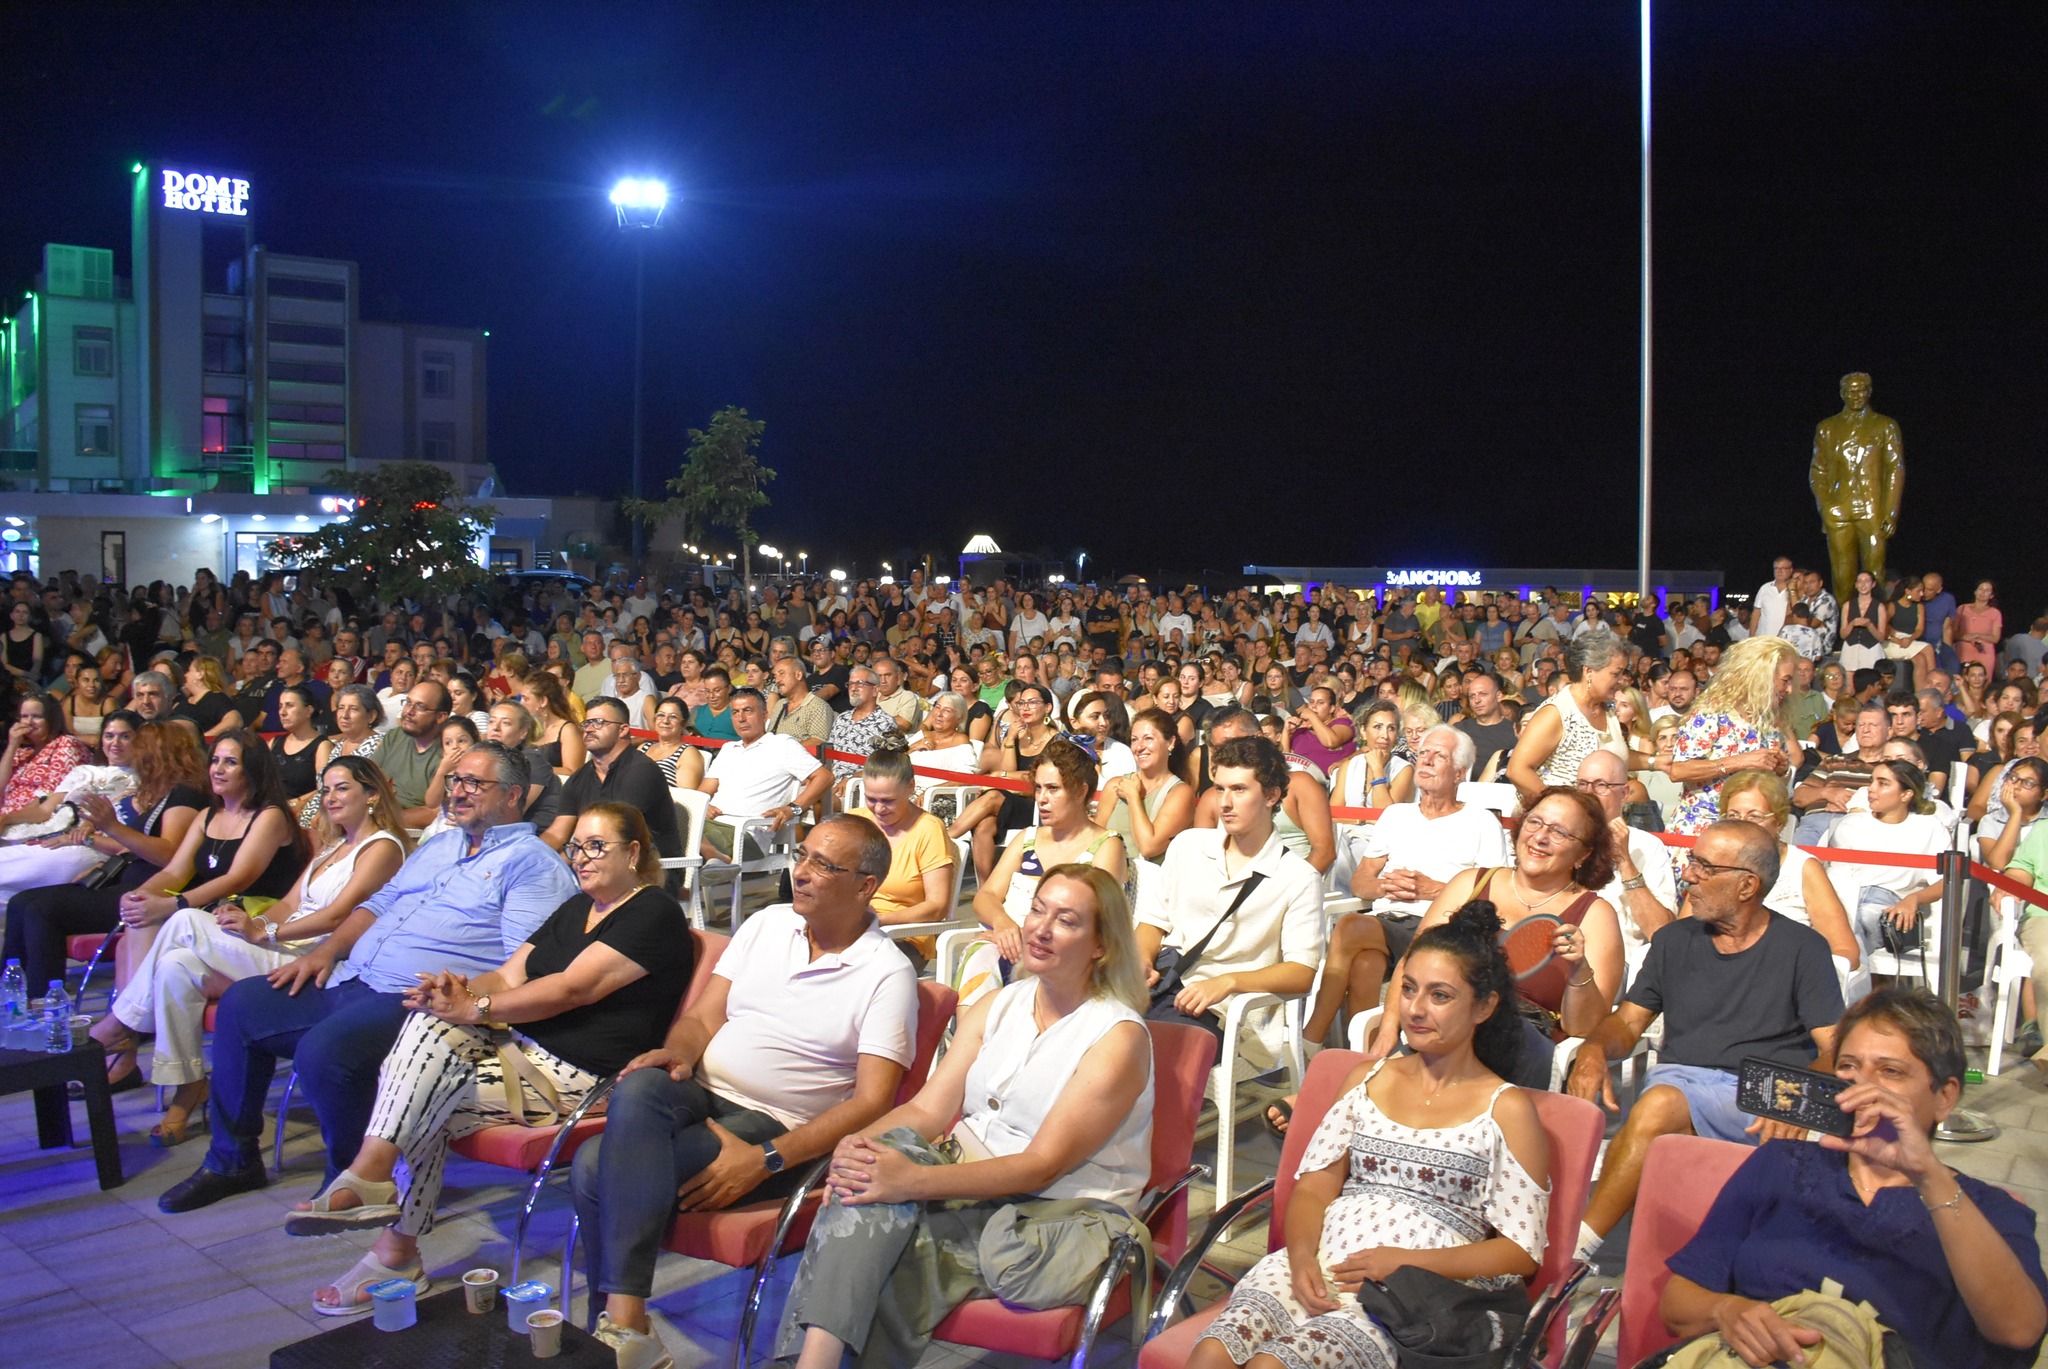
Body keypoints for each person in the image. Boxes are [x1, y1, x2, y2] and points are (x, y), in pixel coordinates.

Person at [292, 803, 692, 1315]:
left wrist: (475, 1007)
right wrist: (453, 991)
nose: (582, 858)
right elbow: (506, 977)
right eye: (576, 848)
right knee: (429, 1028)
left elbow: (573, 989)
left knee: (416, 1096)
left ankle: (392, 1242)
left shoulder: (652, 911)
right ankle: (377, 1193)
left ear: (633, 852)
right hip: (520, 1052)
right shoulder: (577, 907)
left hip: (583, 1076)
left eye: (597, 846)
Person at [158, 741, 579, 1214]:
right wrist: (325, 951)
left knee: (326, 1050)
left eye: (474, 784)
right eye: (456, 780)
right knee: (242, 1005)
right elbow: (377, 906)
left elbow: (522, 964)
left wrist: (462, 996)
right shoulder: (440, 845)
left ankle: (356, 1181)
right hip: (352, 976)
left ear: (513, 795)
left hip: (417, 1001)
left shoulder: (532, 864)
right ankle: (232, 1161)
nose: (457, 792)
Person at [572, 815, 918, 1368]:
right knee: (639, 1086)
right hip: (700, 1088)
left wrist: (768, 1159)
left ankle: (615, 1328)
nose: (801, 873)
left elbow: (873, 1102)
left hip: (778, 1122)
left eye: (823, 866)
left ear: (865, 886)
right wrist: (679, 1052)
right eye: (802, 856)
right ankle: (627, 1323)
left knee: (593, 1164)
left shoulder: (886, 973)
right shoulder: (767, 924)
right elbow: (704, 1018)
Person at [775, 864, 1153, 1369]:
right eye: (1038, 909)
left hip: (1050, 1210)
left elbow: (1041, 1165)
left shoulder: (1116, 1038)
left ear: (1102, 945)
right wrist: (855, 1144)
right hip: (965, 1184)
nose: (1040, 928)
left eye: (1066, 920)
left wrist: (910, 1181)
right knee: (865, 1176)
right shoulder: (999, 1004)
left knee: (880, 1224)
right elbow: (928, 1109)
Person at [1190, 901, 1550, 1369]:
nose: (1416, 1010)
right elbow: (1316, 1186)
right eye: (1408, 989)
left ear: (1483, 1006)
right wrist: (1299, 1257)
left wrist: (1404, 1261)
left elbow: (1521, 1252)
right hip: (1321, 1262)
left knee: (1271, 1366)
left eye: (1440, 995)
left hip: (1410, 1293)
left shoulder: (1506, 1108)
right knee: (1209, 1356)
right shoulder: (1366, 1079)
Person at [1659, 989, 2047, 1369]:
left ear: (1944, 1097)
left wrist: (1928, 1176)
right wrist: (1728, 1310)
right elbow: (1677, 1303)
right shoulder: (1781, 1164)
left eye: (1890, 1071)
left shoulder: (1985, 1210)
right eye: (1848, 1067)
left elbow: (2019, 1331)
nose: (1861, 1087)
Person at [89, 758, 408, 1144]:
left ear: (372, 795)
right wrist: (247, 922)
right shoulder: (333, 847)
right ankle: (187, 1086)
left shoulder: (383, 847)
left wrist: (265, 932)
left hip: (315, 961)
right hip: (282, 944)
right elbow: (289, 905)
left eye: (342, 788)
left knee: (185, 921)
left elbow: (337, 916)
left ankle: (120, 1026)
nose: (330, 797)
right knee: (176, 965)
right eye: (325, 789)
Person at [1567, 819, 1844, 1260]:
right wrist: (1595, 1049)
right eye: (1691, 862)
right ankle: (1587, 1248)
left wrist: (1796, 1096)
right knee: (1660, 1103)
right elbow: (1629, 1021)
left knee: (1656, 1105)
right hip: (1682, 1081)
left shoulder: (1801, 949)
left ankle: (1572, 1250)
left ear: (1746, 886)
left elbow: (1838, 1049)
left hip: (1762, 1096)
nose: (1689, 875)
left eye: (1703, 866)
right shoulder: (1675, 941)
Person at [1365, 786, 1622, 1090]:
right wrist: (1387, 1031)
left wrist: (1579, 968)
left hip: (1525, 1041)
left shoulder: (1595, 914)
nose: (1540, 837)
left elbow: (1586, 1027)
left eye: (1559, 832)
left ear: (1584, 854)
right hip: (1448, 1022)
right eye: (1535, 822)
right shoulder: (1470, 884)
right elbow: (1413, 962)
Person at [1306, 725, 1508, 1047]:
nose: (1425, 761)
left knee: (1350, 931)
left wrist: (1434, 890)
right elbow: (1361, 883)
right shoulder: (1396, 815)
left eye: (1438, 756)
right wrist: (1387, 886)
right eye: (1423, 753)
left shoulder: (1481, 822)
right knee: (1364, 961)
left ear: (1459, 773)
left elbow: (1494, 895)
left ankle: (1310, 1041)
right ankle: (1365, 1055)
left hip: (1444, 928)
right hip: (1389, 922)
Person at [1138, 735, 1323, 1053]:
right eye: (1220, 788)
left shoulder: (1298, 876)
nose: (1224, 802)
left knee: (1145, 1048)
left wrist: (1229, 982)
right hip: (1164, 983)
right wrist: (1140, 960)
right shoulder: (1188, 845)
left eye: (1239, 789)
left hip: (1227, 1014)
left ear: (1271, 795)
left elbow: (1302, 971)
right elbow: (1153, 922)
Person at [1, 720, 208, 993]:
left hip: (148, 892)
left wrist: (112, 826)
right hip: (122, 878)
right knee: (21, 902)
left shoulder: (185, 795)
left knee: (41, 909)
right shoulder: (159, 794)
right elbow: (134, 847)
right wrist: (104, 862)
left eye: (140, 747)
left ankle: (42, 1001)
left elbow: (169, 854)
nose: (134, 753)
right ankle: (10, 994)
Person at [107, 729, 309, 997]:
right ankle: (129, 1026)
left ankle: (127, 1026)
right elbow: (175, 872)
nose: (218, 769)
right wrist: (141, 895)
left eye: (230, 762)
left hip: (255, 915)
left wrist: (171, 904)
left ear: (253, 769)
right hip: (214, 909)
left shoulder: (270, 816)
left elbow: (239, 878)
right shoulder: (206, 815)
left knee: (155, 922)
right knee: (138, 921)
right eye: (215, 760)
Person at [959, 738, 1128, 1006]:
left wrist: (1027, 938)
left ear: (1081, 791)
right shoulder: (1028, 838)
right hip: (1011, 946)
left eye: (1053, 789)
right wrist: (1003, 924)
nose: (1042, 799)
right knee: (982, 955)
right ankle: (973, 1042)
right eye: (1038, 789)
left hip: (1067, 956)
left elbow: (1096, 920)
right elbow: (986, 896)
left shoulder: (1106, 845)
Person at [1718, 769, 1861, 982]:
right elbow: (1685, 931)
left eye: (1754, 816)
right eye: (1733, 815)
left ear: (1779, 822)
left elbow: (1845, 950)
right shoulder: (1714, 863)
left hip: (1781, 979)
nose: (1743, 824)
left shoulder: (1803, 868)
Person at [1655, 634, 1799, 836]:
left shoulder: (1770, 721)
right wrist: (1740, 761)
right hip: (1705, 831)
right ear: (1761, 676)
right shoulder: (1711, 713)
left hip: (1750, 834)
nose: (1790, 689)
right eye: (1785, 681)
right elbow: (1679, 770)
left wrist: (1781, 770)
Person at [1823, 759, 1949, 964]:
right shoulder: (1851, 824)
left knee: (1859, 920)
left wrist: (1914, 899)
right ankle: (1848, 984)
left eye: (1883, 783)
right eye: (1872, 781)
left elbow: (1947, 881)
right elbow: (1837, 877)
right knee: (1846, 922)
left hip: (1890, 903)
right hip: (1848, 896)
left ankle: (1843, 981)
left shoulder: (1929, 828)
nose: (1870, 789)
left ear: (1906, 794)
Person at [1575, 749, 1680, 979]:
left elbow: (1660, 932)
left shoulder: (1647, 846)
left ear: (1623, 794)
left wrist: (1624, 860)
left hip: (1613, 965)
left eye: (1600, 785)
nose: (1588, 793)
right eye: (1582, 784)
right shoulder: (1558, 837)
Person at [544, 696, 683, 862]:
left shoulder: (642, 771)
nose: (589, 729)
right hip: (596, 862)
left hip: (645, 869)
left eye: (599, 723)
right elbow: (558, 833)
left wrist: (560, 870)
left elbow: (615, 834)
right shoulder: (579, 778)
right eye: (587, 723)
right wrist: (533, 858)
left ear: (623, 730)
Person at [1507, 634, 1629, 806]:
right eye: (1616, 674)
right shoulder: (1557, 712)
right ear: (1588, 672)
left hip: (1595, 821)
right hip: (1558, 824)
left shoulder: (1606, 709)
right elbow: (1517, 770)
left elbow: (1616, 755)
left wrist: (1655, 762)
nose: (1621, 681)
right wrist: (1562, 811)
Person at [845, 742, 957, 930]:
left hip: (901, 931)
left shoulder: (928, 830)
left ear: (910, 787)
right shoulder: (856, 821)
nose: (879, 809)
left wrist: (876, 921)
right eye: (871, 799)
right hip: (849, 925)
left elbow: (937, 907)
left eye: (888, 801)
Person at [1098, 706, 1195, 863]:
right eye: (1134, 740)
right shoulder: (1115, 785)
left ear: (1170, 742)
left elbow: (1149, 846)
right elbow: (1096, 841)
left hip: (1151, 884)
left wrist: (1133, 797)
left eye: (1148, 738)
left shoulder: (1180, 793)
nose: (1139, 747)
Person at [1, 693, 94, 822]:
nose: (28, 722)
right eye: (24, 716)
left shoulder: (66, 744)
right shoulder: (21, 752)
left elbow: (48, 796)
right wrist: (12, 746)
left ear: (51, 719)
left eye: (36, 716)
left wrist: (9, 819)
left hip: (33, 821)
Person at [369, 680, 450, 824]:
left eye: (420, 706)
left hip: (407, 831)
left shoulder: (448, 753)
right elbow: (367, 777)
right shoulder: (395, 736)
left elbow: (437, 811)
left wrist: (384, 822)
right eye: (408, 702)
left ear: (441, 717)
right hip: (373, 815)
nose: (408, 712)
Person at [1327, 699, 1412, 808]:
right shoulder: (1349, 767)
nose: (1385, 735)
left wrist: (1377, 771)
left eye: (1391, 728)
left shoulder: (1404, 770)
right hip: (1348, 825)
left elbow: (1385, 815)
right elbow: (1335, 813)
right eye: (1378, 727)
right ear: (1363, 731)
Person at [269, 683, 327, 823]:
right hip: (271, 809)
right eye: (280, 706)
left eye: (289, 706)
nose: (282, 712)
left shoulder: (322, 746)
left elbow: (325, 788)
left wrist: (297, 802)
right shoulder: (274, 742)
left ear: (308, 711)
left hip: (301, 813)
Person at [520, 670, 588, 773]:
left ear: (543, 701)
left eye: (526, 699)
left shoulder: (567, 730)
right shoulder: (527, 728)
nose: (521, 703)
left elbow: (573, 771)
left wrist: (535, 769)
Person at [169, 655, 244, 741]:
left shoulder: (216, 699)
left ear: (200, 674)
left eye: (189, 671)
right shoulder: (184, 701)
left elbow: (235, 720)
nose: (186, 675)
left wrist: (203, 739)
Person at [637, 696, 705, 788]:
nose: (665, 721)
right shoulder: (643, 748)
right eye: (660, 715)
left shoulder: (688, 754)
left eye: (673, 717)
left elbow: (685, 796)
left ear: (684, 723)